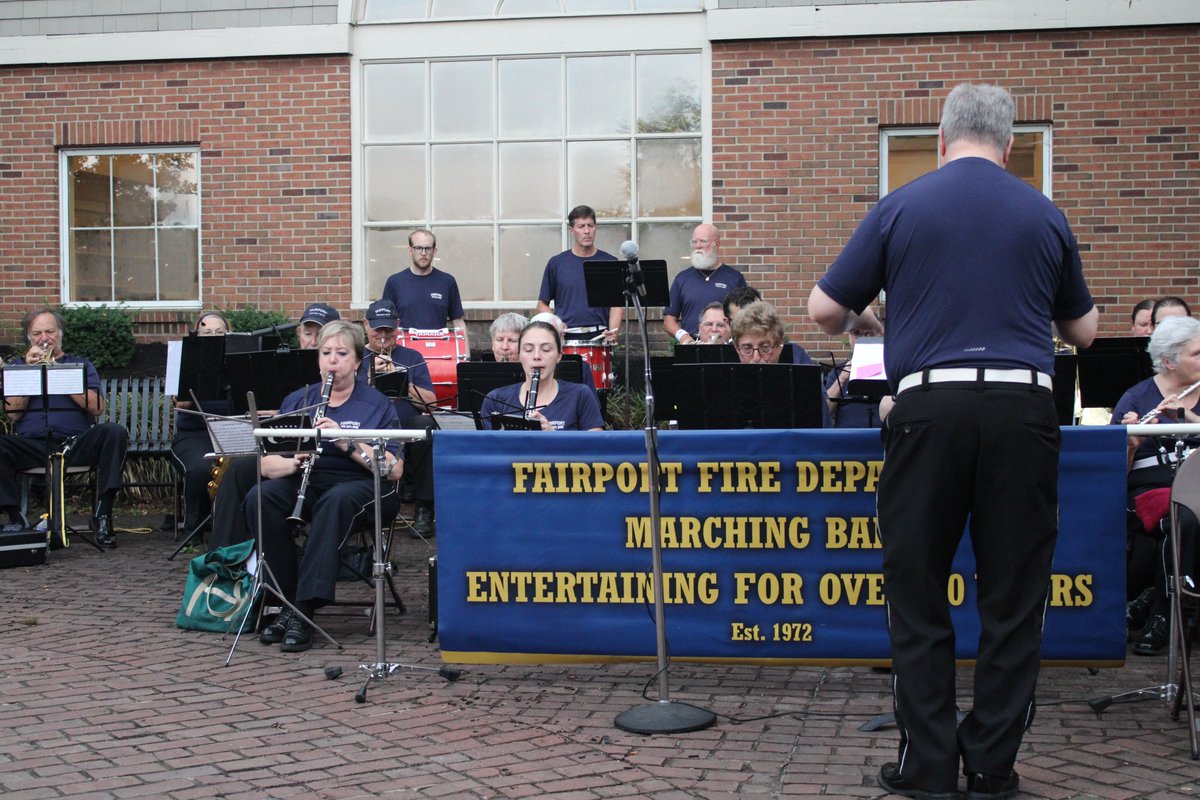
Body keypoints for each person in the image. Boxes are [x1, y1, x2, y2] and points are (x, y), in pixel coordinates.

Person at [808, 83, 1097, 800]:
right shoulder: (1045, 212)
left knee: (917, 592)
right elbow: (1083, 333)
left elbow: (823, 312)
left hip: (927, 407)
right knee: (1013, 595)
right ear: (1008, 146)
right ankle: (993, 765)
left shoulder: (901, 204)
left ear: (940, 141)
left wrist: (877, 323)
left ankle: (928, 764)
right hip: (1022, 410)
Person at [248, 320, 405, 652]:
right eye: (326, 353)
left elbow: (393, 469)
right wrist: (293, 462)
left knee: (335, 501)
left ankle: (303, 611)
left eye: (342, 353)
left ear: (358, 361)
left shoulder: (377, 404)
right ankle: (286, 600)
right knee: (261, 497)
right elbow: (264, 464)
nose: (333, 360)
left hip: (363, 485)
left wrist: (345, 441)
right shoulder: (298, 400)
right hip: (309, 479)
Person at [208, 302, 338, 551]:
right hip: (283, 446)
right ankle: (225, 554)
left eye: (319, 335)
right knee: (239, 468)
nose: (312, 342)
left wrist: (283, 415)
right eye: (307, 333)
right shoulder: (281, 364)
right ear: (299, 333)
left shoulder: (340, 366)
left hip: (322, 454)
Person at [0, 307, 129, 548]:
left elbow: (97, 408)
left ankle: (103, 514)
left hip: (74, 443)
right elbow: (14, 413)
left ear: (60, 333)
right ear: (29, 337)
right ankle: (16, 518)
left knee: (113, 431)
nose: (44, 338)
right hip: (34, 445)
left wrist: (60, 375)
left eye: (50, 331)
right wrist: (30, 372)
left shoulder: (80, 365)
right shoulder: (17, 367)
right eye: (37, 333)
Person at [1112, 315, 1200, 656]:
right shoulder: (1136, 398)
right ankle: (1165, 615)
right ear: (1169, 361)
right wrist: (1130, 444)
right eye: (1196, 353)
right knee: (1184, 516)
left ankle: (1151, 597)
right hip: (1150, 492)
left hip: (1194, 487)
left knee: (1189, 510)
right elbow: (1114, 472)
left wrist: (1188, 418)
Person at [361, 299, 438, 538]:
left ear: (398, 326)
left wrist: (399, 377)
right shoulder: (355, 357)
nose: (383, 336)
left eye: (389, 329)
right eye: (377, 329)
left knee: (427, 426)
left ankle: (425, 507)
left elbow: (431, 403)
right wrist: (370, 380)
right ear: (365, 326)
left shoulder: (412, 356)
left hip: (406, 425)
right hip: (368, 425)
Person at [170, 310, 231, 540]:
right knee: (198, 468)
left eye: (219, 332)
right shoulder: (186, 356)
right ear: (197, 335)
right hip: (195, 432)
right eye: (207, 333)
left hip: (230, 429)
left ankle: (232, 528)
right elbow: (182, 404)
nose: (214, 337)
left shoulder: (236, 356)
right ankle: (193, 530)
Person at [480, 321, 603, 432]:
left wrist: (553, 438)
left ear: (559, 355)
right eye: (528, 350)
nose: (537, 356)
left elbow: (597, 449)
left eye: (546, 349)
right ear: (520, 355)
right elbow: (483, 452)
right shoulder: (495, 399)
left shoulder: (580, 395)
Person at [730, 301, 827, 427]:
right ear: (737, 348)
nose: (756, 357)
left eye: (765, 347)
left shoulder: (803, 384)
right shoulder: (728, 386)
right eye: (747, 348)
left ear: (780, 345)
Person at [536, 205, 621, 344]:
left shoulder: (610, 262)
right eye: (581, 226)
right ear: (571, 230)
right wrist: (556, 325)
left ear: (595, 228)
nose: (587, 231)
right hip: (566, 337)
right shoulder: (556, 263)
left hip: (600, 336)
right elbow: (541, 304)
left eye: (591, 226)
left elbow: (616, 305)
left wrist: (612, 332)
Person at [380, 229, 468, 347]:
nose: (423, 253)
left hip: (439, 353)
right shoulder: (394, 282)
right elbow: (387, 323)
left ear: (434, 251)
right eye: (418, 248)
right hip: (405, 354)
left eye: (427, 248)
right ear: (410, 250)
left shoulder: (447, 282)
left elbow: (458, 322)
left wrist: (465, 358)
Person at [663, 223, 748, 344]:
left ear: (717, 244)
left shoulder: (735, 278)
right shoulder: (682, 279)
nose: (698, 246)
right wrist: (684, 337)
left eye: (703, 241)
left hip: (725, 349)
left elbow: (745, 318)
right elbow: (668, 320)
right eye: (694, 242)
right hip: (691, 348)